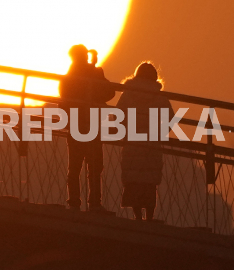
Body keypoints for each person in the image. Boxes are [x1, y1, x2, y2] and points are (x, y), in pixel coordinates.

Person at [59, 44, 116, 212]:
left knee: (74, 167)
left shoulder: (68, 77)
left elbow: (63, 98)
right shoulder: (94, 73)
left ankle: (74, 202)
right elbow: (110, 92)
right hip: (93, 123)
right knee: (95, 166)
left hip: (76, 123)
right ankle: (95, 203)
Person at [116, 62, 173, 221]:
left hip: (132, 141)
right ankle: (149, 216)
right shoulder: (159, 96)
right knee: (149, 181)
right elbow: (170, 118)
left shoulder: (128, 94)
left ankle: (137, 217)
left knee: (133, 179)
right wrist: (158, 132)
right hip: (151, 144)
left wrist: (125, 130)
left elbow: (117, 116)